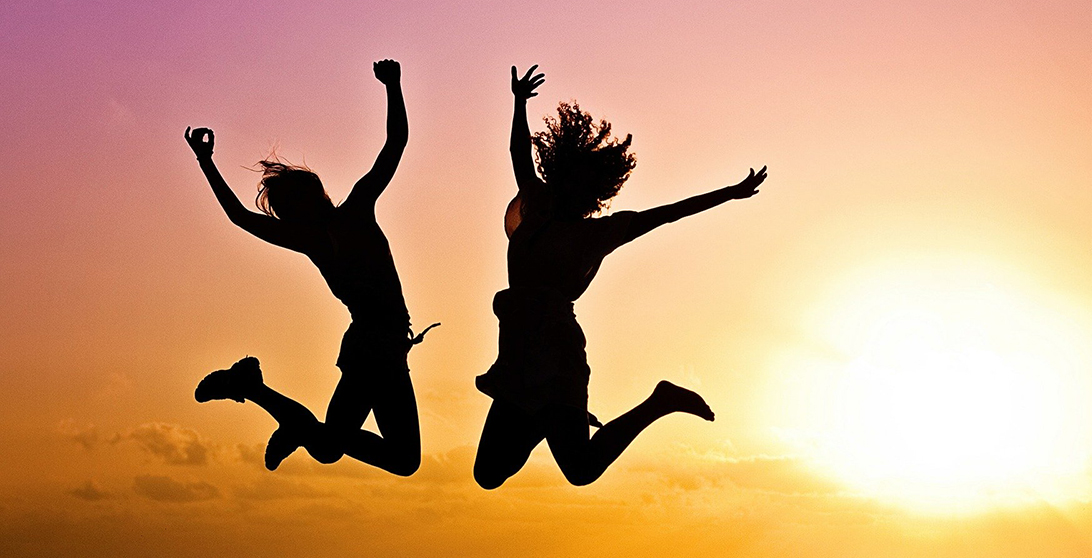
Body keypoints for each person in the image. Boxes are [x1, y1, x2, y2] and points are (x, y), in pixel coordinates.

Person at [473, 65, 767, 489]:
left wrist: (730, 193)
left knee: (580, 469)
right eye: (570, 180)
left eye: (585, 187)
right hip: (517, 352)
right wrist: (519, 102)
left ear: (594, 192)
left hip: (556, 356)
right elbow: (519, 155)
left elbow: (669, 214)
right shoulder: (536, 205)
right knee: (488, 473)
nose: (574, 191)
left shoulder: (598, 234)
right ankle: (547, 418)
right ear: (560, 171)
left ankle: (659, 401)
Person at [185, 59, 434, 476]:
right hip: (377, 345)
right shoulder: (338, 222)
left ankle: (262, 395)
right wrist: (393, 84)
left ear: (312, 196)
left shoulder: (329, 228)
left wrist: (394, 86)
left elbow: (395, 145)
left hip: (374, 344)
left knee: (332, 447)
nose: (285, 216)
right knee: (386, 456)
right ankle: (267, 399)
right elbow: (396, 144)